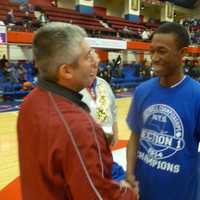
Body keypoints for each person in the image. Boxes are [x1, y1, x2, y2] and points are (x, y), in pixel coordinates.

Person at [17, 22, 138, 200]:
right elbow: (97, 196)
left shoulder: (30, 102)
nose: (96, 60)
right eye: (88, 56)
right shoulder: (78, 127)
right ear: (66, 71)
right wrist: (129, 192)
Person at [126, 22, 200, 200]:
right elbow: (135, 136)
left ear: (182, 53)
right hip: (142, 190)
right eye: (152, 51)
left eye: (162, 51)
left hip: (181, 193)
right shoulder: (142, 90)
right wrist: (129, 173)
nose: (154, 57)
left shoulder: (197, 95)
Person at [80, 53, 118, 146]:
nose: (92, 71)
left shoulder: (103, 84)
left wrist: (115, 133)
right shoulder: (75, 86)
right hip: (85, 140)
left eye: (95, 67)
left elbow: (113, 110)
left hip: (106, 137)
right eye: (89, 67)